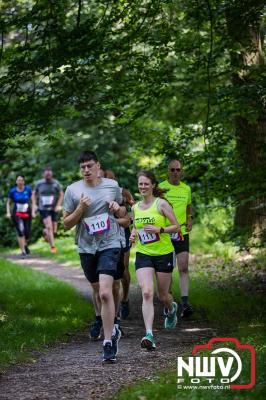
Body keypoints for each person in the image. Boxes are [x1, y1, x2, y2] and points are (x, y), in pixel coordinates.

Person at [63, 151, 127, 363]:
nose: (87, 170)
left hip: (110, 243)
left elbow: (123, 213)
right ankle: (106, 325)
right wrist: (81, 208)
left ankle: (108, 341)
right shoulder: (72, 190)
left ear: (98, 166)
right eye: (83, 167)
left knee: (107, 292)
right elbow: (66, 223)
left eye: (90, 166)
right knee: (98, 290)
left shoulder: (111, 186)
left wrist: (118, 209)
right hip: (86, 247)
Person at [130, 170, 181, 350]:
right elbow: (136, 227)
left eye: (146, 184)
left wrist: (160, 230)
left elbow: (176, 227)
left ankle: (171, 308)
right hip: (144, 254)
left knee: (162, 295)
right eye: (140, 184)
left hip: (164, 253)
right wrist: (133, 235)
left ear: (153, 185)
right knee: (146, 293)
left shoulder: (162, 204)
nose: (143, 187)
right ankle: (149, 334)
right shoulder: (135, 207)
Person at [159, 160, 193, 317]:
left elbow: (188, 206)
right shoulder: (161, 187)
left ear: (182, 171)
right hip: (165, 233)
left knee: (184, 267)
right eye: (172, 170)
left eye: (178, 169)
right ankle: (168, 300)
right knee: (167, 269)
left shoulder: (186, 188)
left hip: (181, 232)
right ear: (168, 171)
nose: (175, 172)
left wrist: (190, 218)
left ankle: (185, 303)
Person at [104, 169, 135, 319]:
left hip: (123, 233)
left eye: (111, 179)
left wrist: (126, 216)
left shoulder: (124, 192)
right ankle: (111, 306)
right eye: (105, 178)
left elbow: (134, 211)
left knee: (123, 270)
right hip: (106, 235)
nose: (109, 182)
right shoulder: (99, 192)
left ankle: (125, 298)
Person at [32, 166, 64, 253]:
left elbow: (61, 194)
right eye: (46, 174)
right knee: (49, 226)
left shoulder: (55, 183)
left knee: (54, 229)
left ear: (51, 174)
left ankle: (46, 232)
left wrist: (58, 205)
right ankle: (53, 247)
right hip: (43, 208)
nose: (48, 175)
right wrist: (34, 205)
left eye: (49, 173)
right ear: (43, 175)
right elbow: (33, 194)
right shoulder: (39, 183)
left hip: (53, 209)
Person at [6, 175, 33, 257]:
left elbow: (33, 200)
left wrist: (34, 210)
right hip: (17, 213)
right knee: (20, 231)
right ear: (16, 182)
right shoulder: (13, 191)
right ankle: (23, 251)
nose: (20, 182)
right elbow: (8, 203)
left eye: (21, 180)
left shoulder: (28, 189)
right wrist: (8, 212)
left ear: (24, 181)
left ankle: (25, 244)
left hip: (27, 212)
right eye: (18, 180)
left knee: (27, 232)